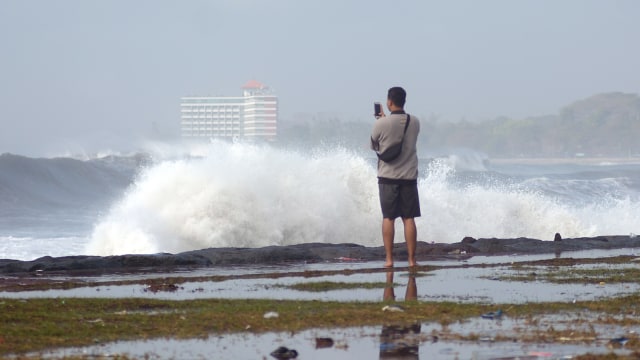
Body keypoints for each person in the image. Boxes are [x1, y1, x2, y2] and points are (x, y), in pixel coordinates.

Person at [371, 86, 421, 268]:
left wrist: (382, 121)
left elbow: (374, 144)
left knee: (388, 218)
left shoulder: (380, 124)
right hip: (408, 176)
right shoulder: (415, 122)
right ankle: (412, 260)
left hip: (387, 177)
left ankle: (389, 260)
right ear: (404, 101)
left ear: (389, 102)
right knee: (409, 218)